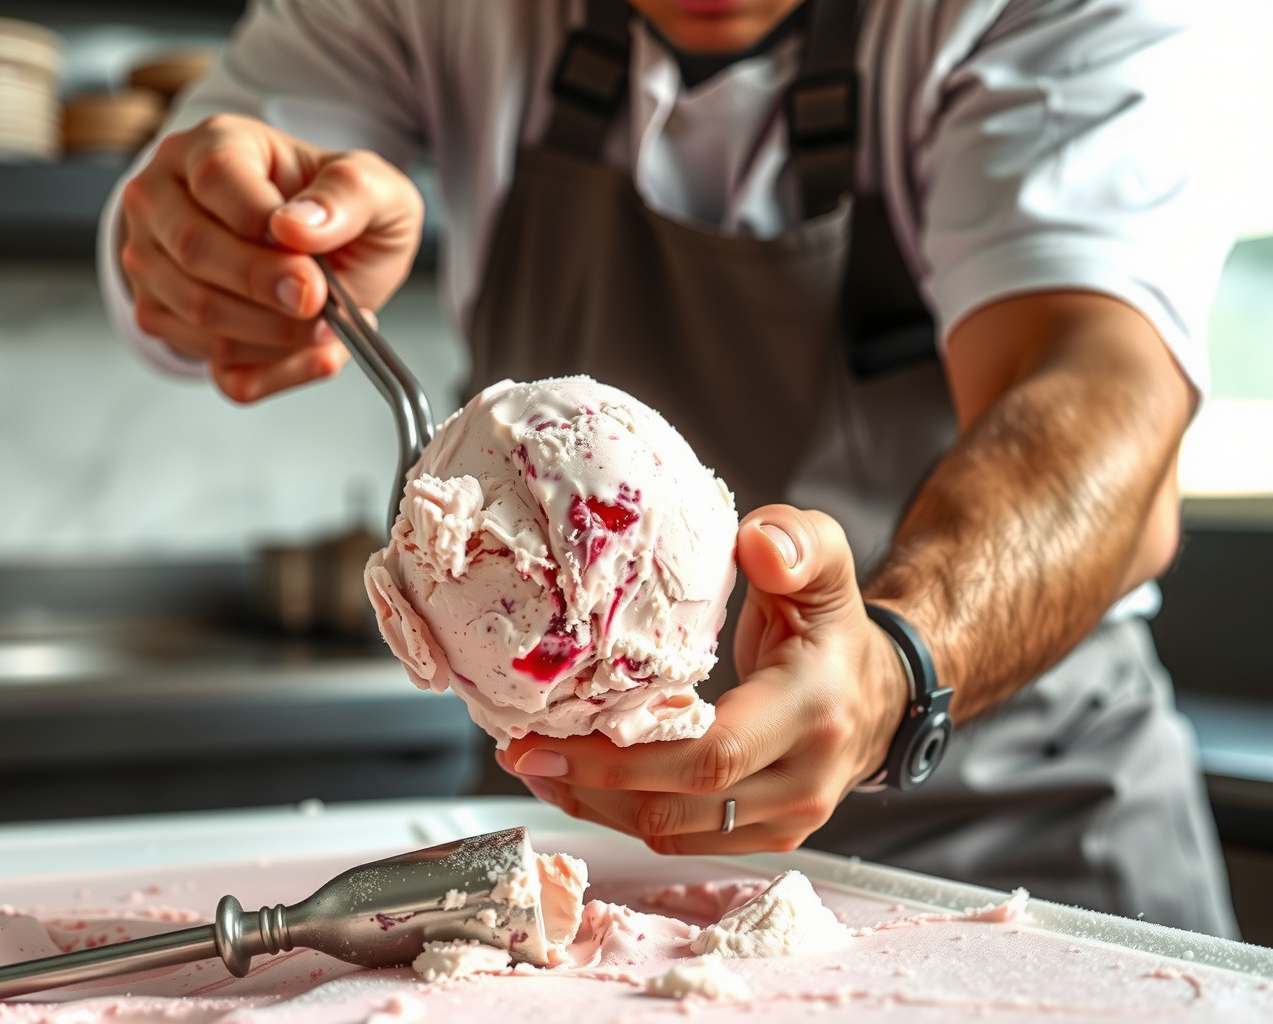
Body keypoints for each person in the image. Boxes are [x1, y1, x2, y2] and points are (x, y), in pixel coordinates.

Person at [100, 0, 1239, 936]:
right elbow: (179, 210)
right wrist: (209, 238)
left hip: (1018, 839)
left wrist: (895, 665)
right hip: (582, 847)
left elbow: (1100, 399)